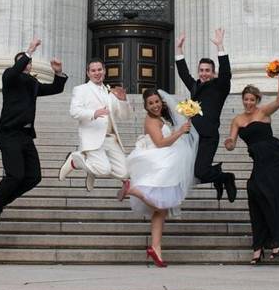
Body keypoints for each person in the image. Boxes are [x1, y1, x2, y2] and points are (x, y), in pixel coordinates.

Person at [0, 37, 67, 227]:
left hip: (26, 136)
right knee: (15, 176)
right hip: (8, 134)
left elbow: (55, 88)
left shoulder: (31, 83)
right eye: (24, 61)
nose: (27, 64)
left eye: (29, 62)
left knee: (34, 176)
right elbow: (14, 71)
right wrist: (29, 50)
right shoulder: (9, 78)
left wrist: (58, 72)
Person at [224, 76, 279, 264]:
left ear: (257, 101)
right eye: (246, 99)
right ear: (242, 99)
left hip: (275, 157)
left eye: (252, 99)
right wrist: (229, 143)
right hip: (259, 161)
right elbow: (231, 144)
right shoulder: (237, 120)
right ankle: (258, 245)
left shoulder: (263, 112)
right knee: (255, 193)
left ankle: (276, 240)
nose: (248, 102)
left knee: (271, 195)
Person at [117, 88, 198, 267]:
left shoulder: (160, 118)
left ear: (161, 101)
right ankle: (133, 190)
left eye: (156, 101)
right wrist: (180, 131)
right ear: (146, 106)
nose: (155, 105)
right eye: (150, 103)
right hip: (160, 163)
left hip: (166, 161)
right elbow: (160, 143)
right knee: (163, 205)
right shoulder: (151, 121)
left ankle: (156, 249)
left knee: (160, 211)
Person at [175, 28, 237, 202]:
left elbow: (226, 73)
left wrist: (220, 47)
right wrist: (179, 49)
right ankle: (219, 178)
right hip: (192, 136)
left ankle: (225, 177)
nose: (203, 73)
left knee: (200, 172)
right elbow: (183, 73)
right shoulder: (195, 86)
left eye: (207, 70)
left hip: (209, 136)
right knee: (189, 172)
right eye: (201, 70)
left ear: (213, 72)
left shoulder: (220, 87)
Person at [60, 58, 132, 191]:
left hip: (111, 139)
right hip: (93, 137)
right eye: (93, 70)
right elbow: (74, 112)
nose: (97, 73)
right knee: (104, 170)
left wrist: (123, 101)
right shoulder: (81, 89)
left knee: (125, 173)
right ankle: (74, 160)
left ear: (104, 71)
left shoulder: (110, 92)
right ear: (88, 73)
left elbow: (125, 117)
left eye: (99, 70)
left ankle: (91, 168)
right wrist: (94, 113)